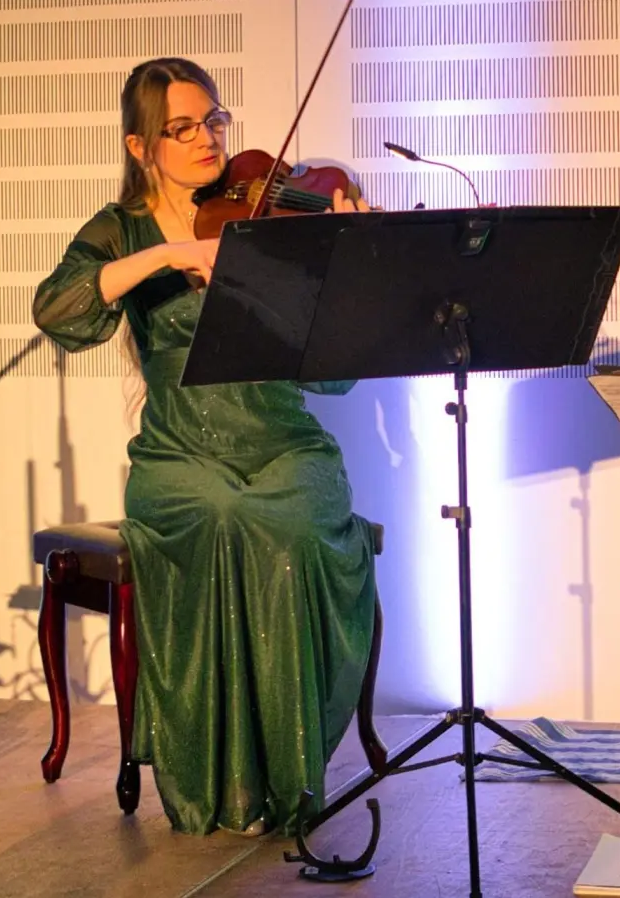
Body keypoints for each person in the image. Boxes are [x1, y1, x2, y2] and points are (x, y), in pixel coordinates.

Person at [33, 57, 378, 837]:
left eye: (214, 120)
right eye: (181, 128)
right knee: (219, 515)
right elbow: (57, 309)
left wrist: (349, 256)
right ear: (140, 146)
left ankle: (289, 778)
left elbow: (336, 378)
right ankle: (227, 786)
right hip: (178, 453)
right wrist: (169, 256)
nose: (206, 139)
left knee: (293, 529)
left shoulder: (266, 216)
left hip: (285, 441)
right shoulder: (120, 230)